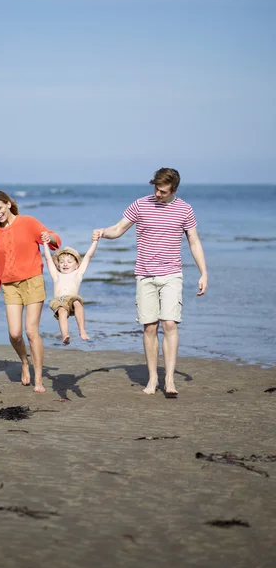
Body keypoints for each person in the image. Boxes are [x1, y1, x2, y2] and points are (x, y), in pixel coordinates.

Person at [93, 168, 208, 397]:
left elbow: (194, 242)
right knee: (150, 327)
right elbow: (118, 229)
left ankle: (169, 380)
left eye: (163, 191)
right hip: (144, 275)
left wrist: (203, 273)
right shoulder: (140, 205)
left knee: (170, 324)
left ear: (173, 190)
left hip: (171, 275)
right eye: (156, 189)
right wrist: (103, 232)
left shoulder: (184, 209)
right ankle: (153, 378)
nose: (157, 194)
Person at [0, 191, 61, 393]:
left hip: (33, 281)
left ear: (8, 204)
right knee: (15, 334)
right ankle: (25, 363)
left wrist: (48, 236)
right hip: (10, 286)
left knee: (31, 331)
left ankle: (39, 379)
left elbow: (55, 241)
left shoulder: (28, 222)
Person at [41, 231, 98, 345]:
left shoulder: (77, 274)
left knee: (77, 302)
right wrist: (45, 243)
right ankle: (65, 335)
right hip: (59, 300)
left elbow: (88, 256)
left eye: (69, 262)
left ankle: (82, 330)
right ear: (58, 265)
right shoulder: (56, 275)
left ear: (77, 265)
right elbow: (48, 259)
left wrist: (95, 242)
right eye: (61, 262)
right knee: (62, 310)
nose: (65, 264)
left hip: (72, 299)